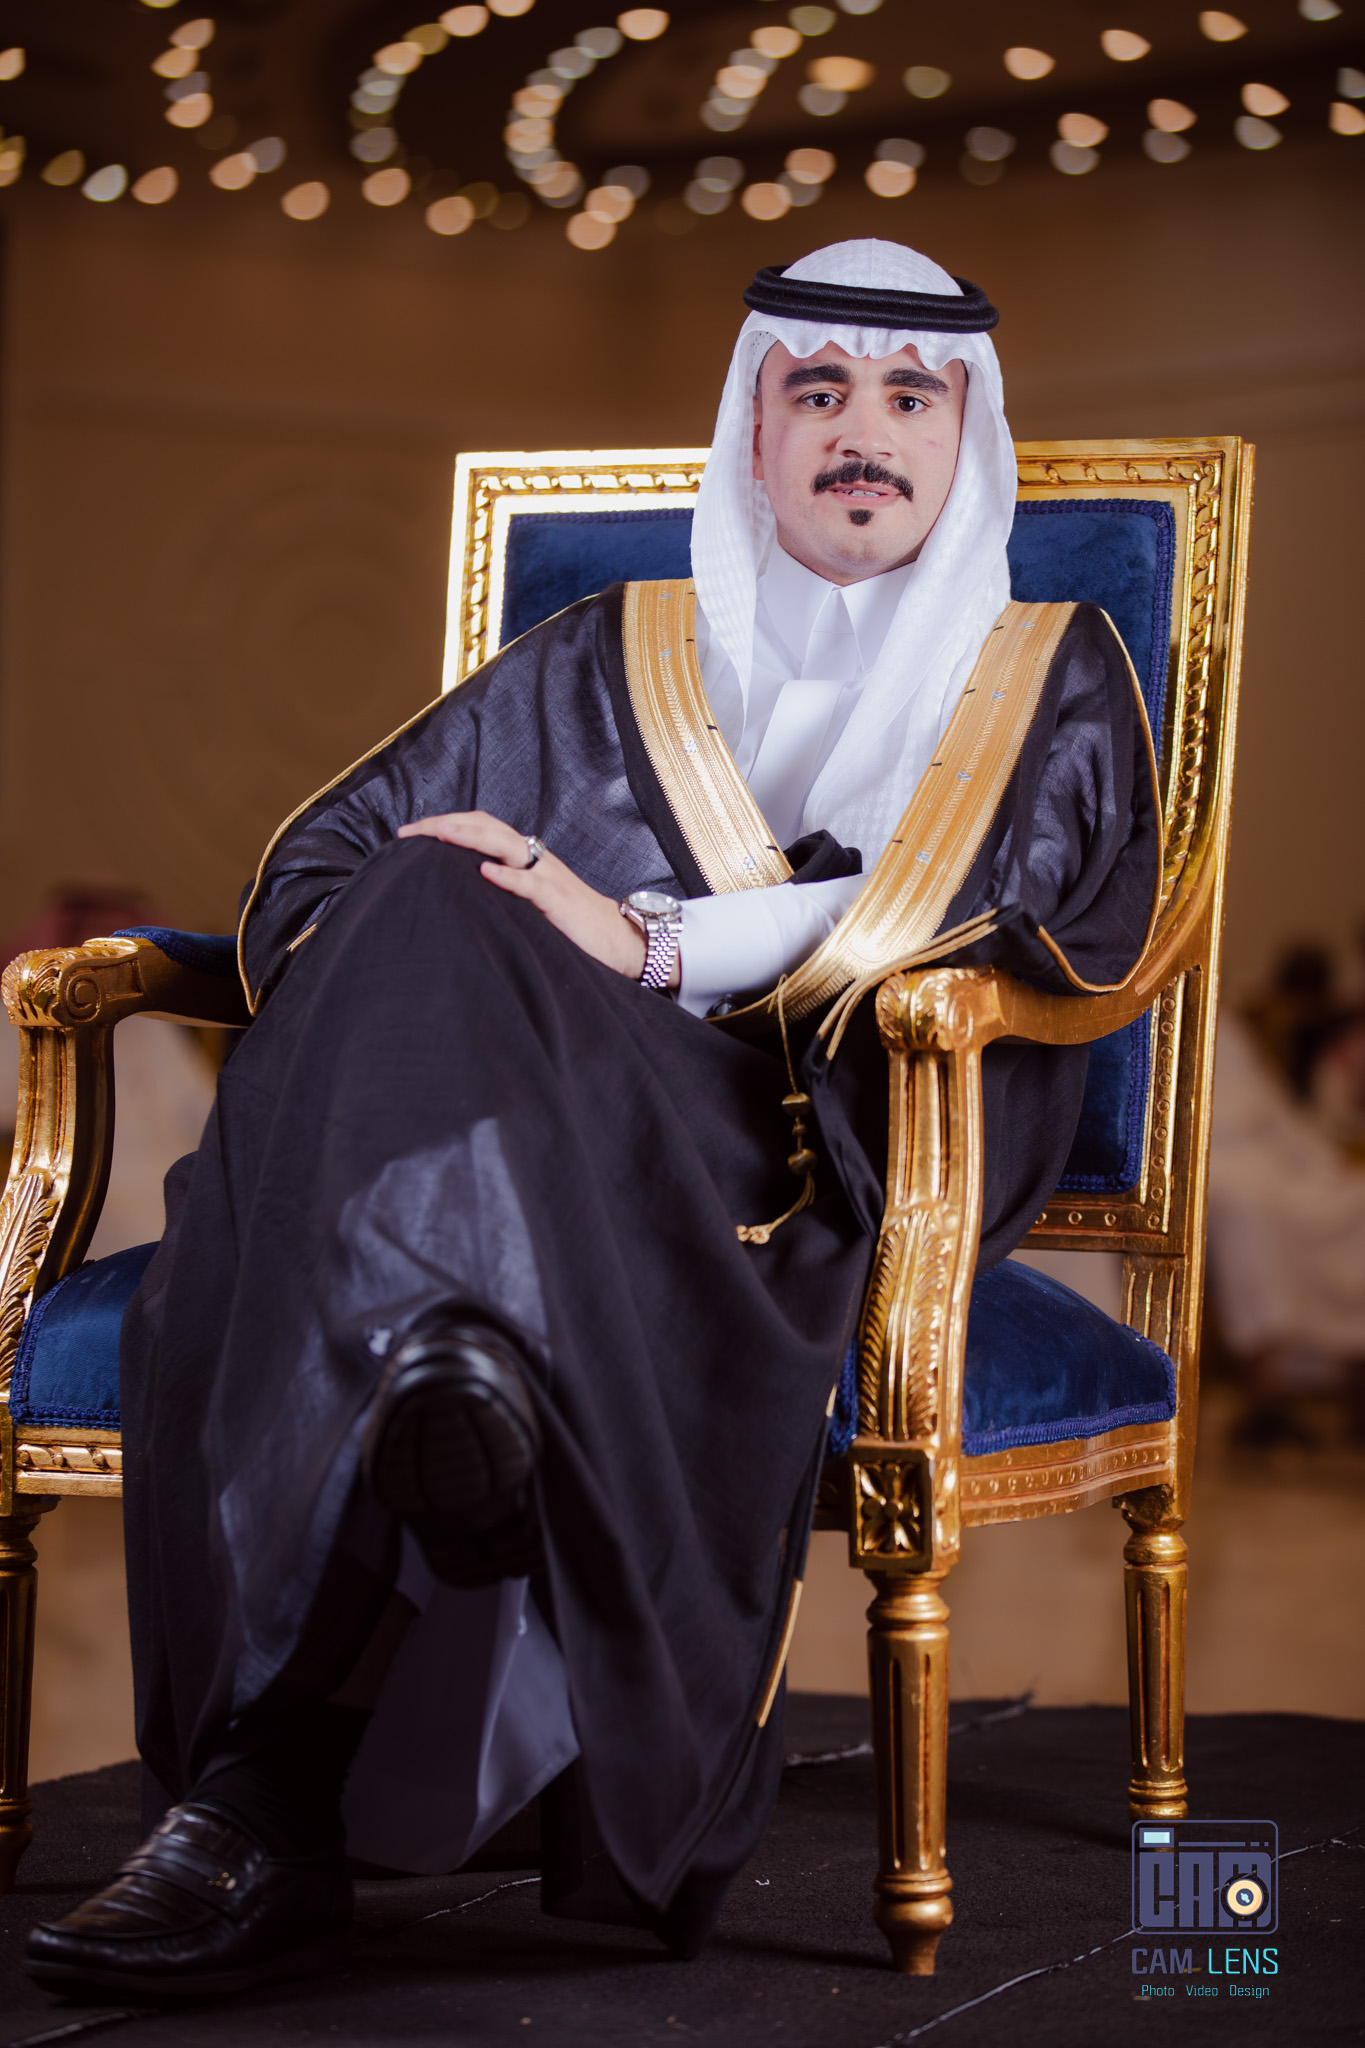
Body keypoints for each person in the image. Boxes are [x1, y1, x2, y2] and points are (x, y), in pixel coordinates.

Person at [27, 240, 1160, 2002]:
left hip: (795, 1148)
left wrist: (641, 942)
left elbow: (1007, 917)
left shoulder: (1046, 671)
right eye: (817, 392)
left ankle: (260, 1801)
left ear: (965, 435)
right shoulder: (604, 650)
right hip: (531, 1137)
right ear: (754, 430)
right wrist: (456, 965)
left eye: (907, 397)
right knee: (421, 892)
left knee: (428, 1013)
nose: (862, 433)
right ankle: (455, 1386)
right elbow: (327, 862)